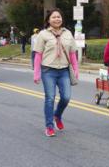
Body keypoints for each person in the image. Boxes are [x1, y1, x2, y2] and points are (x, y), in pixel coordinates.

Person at [33, 8, 78, 137]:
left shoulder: (68, 33)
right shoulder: (43, 34)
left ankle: (57, 115)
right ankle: (49, 126)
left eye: (59, 17)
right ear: (48, 20)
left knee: (66, 97)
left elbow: (72, 54)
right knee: (50, 98)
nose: (57, 19)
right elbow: (38, 55)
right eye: (54, 17)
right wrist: (37, 74)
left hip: (64, 70)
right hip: (48, 71)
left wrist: (76, 70)